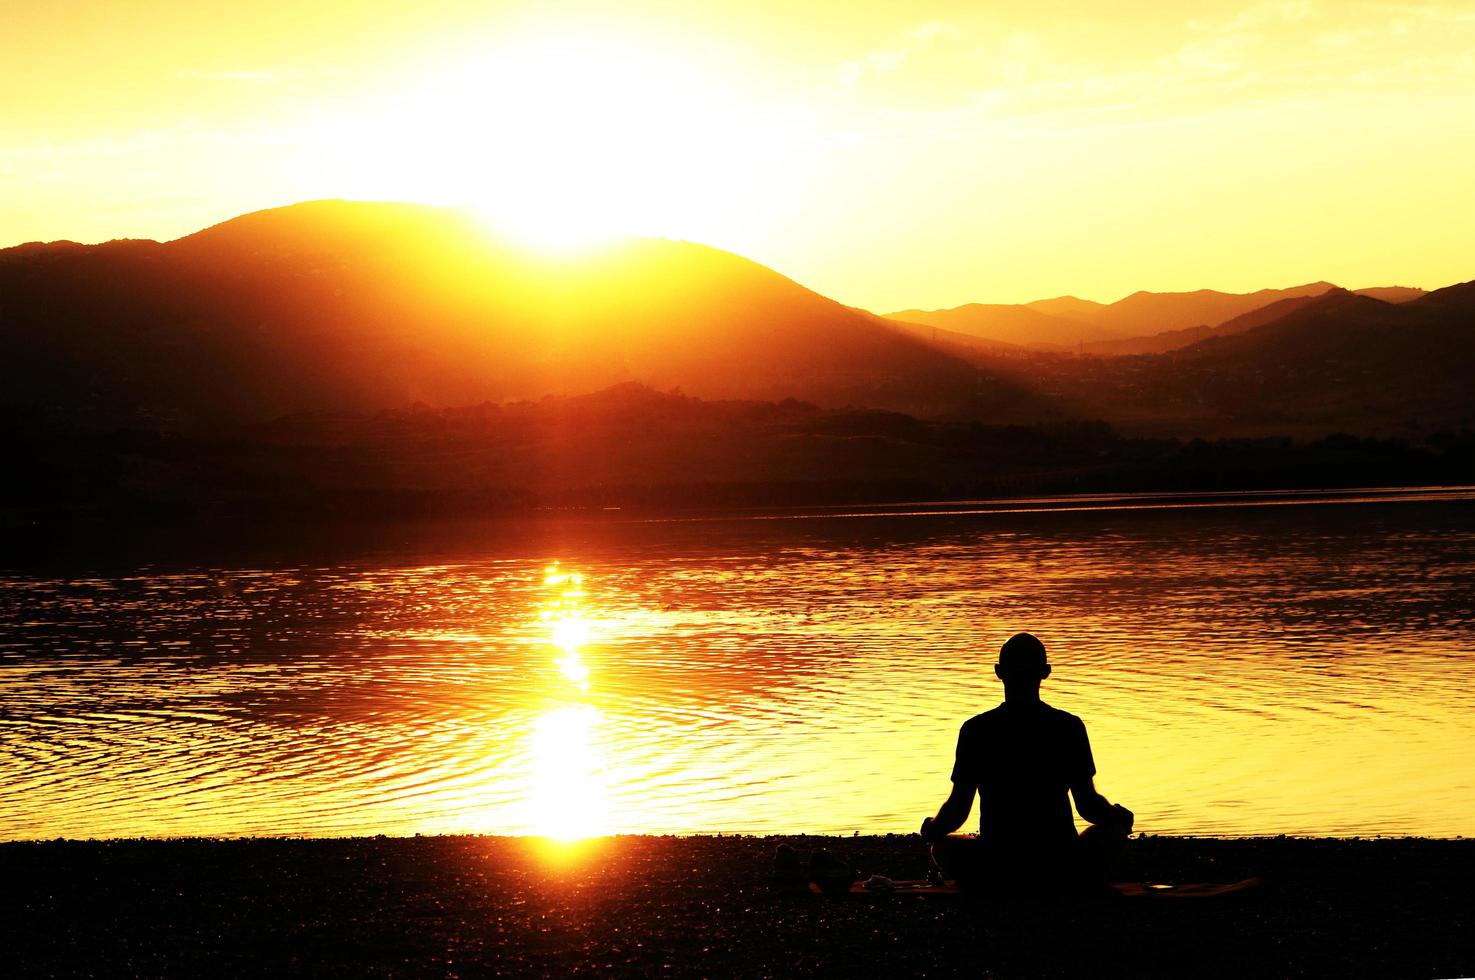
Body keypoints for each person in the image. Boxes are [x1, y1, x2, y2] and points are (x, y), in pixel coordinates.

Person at [919, 632, 1134, 896]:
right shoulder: (1068, 727)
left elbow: (959, 808)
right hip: (1060, 860)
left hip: (998, 861)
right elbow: (1088, 805)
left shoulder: (977, 730)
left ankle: (996, 883)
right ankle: (1071, 881)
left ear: (999, 672)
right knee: (1111, 836)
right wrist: (1117, 817)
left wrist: (933, 827)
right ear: (1045, 672)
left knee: (942, 847)